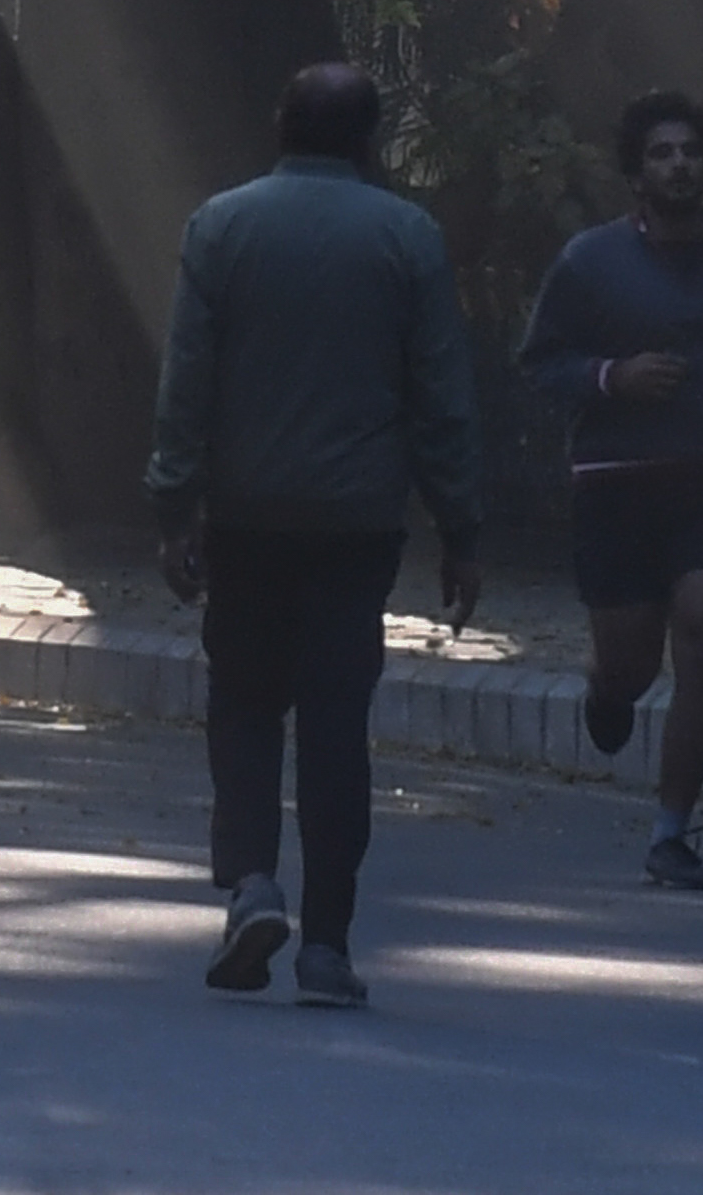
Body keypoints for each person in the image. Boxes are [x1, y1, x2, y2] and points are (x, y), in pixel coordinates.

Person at [147, 62, 487, 1012]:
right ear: (369, 138)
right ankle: (328, 947)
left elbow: (187, 382)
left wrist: (174, 505)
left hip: (247, 514)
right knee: (337, 730)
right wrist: (459, 527)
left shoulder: (221, 225)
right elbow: (441, 398)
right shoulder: (406, 236)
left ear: (278, 126)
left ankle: (253, 883)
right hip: (356, 521)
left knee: (246, 706)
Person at [514, 88, 703, 890]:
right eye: (661, 154)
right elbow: (541, 363)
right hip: (616, 484)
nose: (678, 166)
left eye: (689, 153)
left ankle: (673, 831)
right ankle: (608, 692)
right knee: (633, 663)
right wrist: (614, 376)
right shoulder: (590, 261)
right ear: (636, 172)